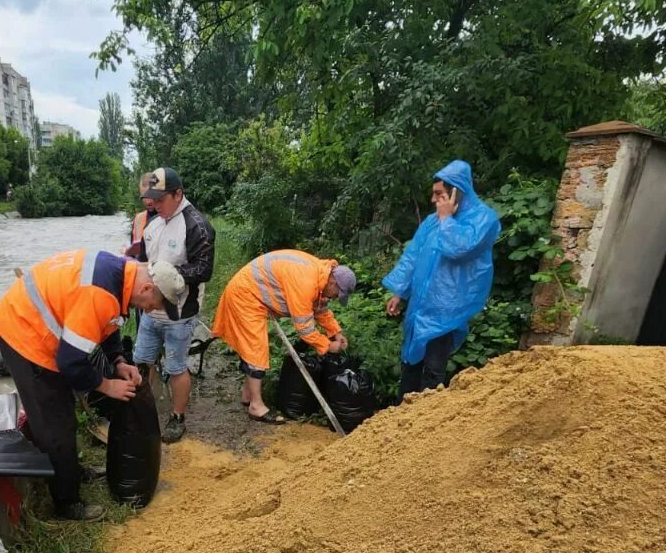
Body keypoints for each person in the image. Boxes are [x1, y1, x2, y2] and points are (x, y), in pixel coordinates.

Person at [0, 250, 165, 521]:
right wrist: (106, 385)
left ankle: (70, 470)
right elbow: (71, 363)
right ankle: (66, 504)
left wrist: (118, 360)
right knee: (55, 425)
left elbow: (108, 321)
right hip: (24, 335)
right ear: (146, 287)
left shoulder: (125, 274)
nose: (150, 310)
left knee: (63, 410)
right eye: (153, 304)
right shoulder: (100, 293)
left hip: (41, 325)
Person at [383, 160, 501, 401]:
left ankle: (423, 425)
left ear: (457, 191)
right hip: (420, 306)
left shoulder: (483, 219)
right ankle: (397, 421)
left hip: (447, 310)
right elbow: (413, 256)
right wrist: (399, 292)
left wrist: (447, 219)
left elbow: (460, 248)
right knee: (410, 363)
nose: (434, 200)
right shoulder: (431, 221)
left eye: (439, 194)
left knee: (433, 370)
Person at [212, 250, 356, 424]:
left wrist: (335, 332)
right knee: (256, 348)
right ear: (333, 282)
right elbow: (304, 328)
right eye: (336, 294)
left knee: (253, 348)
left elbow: (319, 307)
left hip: (252, 291)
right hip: (245, 295)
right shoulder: (305, 282)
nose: (334, 298)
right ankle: (256, 406)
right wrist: (326, 345)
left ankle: (248, 394)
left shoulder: (320, 276)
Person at [132, 167, 216, 444]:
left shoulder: (197, 225)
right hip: (149, 310)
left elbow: (204, 269)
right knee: (142, 361)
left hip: (180, 313)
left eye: (160, 199)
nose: (155, 204)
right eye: (152, 199)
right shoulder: (153, 224)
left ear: (178, 194)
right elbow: (144, 262)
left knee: (176, 366)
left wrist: (171, 274)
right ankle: (146, 409)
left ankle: (177, 416)